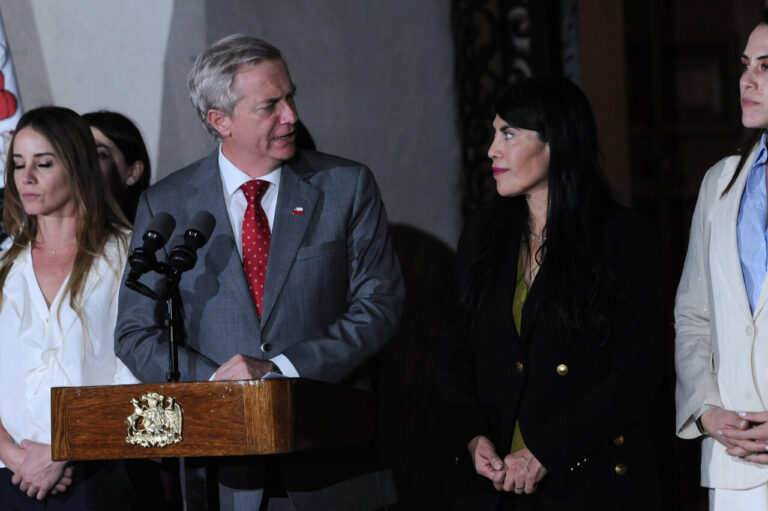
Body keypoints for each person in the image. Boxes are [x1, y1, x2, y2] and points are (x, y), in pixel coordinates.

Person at [114, 35, 404, 511]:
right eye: (270, 105)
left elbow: (379, 308)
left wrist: (279, 370)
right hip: (223, 476)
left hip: (332, 463)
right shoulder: (167, 203)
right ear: (219, 120)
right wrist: (221, 388)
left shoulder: (346, 186)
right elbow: (135, 331)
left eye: (291, 97)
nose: (291, 115)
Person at [440, 75, 662, 510]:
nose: (492, 150)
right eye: (493, 133)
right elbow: (456, 349)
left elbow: (638, 371)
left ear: (556, 142)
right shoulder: (484, 232)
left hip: (591, 484)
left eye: (509, 134)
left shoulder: (622, 236)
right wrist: (472, 435)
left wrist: (549, 450)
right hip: (498, 487)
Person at [0, 106, 143, 509]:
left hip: (98, 472)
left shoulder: (127, 256)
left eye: (43, 164)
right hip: (11, 474)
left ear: (78, 167)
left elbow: (135, 370)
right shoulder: (5, 263)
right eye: (18, 164)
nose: (25, 178)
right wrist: (14, 455)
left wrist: (64, 449)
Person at [675, 10, 768, 509]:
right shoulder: (719, 183)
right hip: (736, 466)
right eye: (745, 64)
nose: (746, 80)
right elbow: (693, 314)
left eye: (766, 66)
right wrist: (706, 409)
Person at [83, 111, 151, 223]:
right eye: (76, 153)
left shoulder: (140, 238)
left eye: (100, 155)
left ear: (134, 172)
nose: (83, 163)